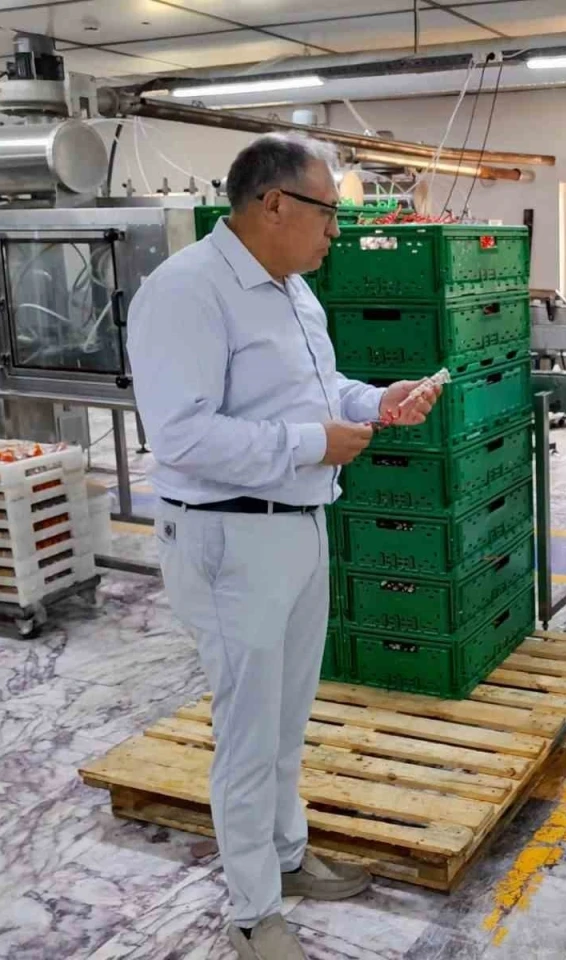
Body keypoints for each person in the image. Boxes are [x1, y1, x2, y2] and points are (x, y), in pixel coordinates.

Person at [128, 133, 439, 960]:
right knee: (246, 730)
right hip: (230, 538)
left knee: (287, 716)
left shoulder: (294, 292)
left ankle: (288, 856)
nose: (337, 229)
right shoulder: (187, 292)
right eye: (328, 211)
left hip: (300, 524)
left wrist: (375, 401)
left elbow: (315, 390)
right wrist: (311, 445)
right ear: (273, 204)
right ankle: (251, 911)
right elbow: (182, 435)